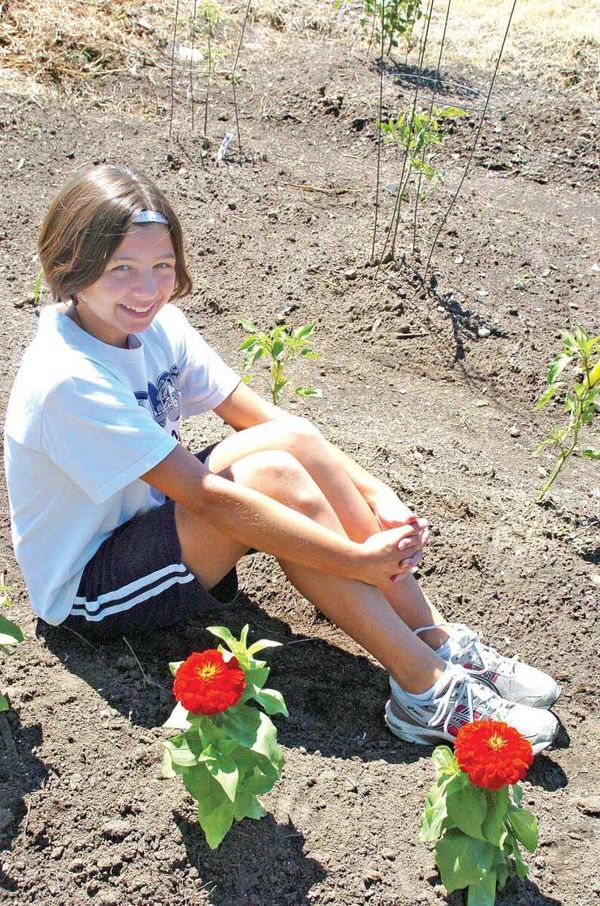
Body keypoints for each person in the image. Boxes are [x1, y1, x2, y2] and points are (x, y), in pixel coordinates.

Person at [4, 164, 560, 753]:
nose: (147, 289)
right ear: (72, 265)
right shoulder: (67, 378)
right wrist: (354, 559)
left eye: (161, 267)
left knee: (290, 446)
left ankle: (434, 638)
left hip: (153, 518)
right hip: (92, 590)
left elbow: (270, 422)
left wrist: (377, 495)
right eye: (122, 270)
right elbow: (203, 495)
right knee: (274, 479)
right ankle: (424, 688)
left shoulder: (156, 325)